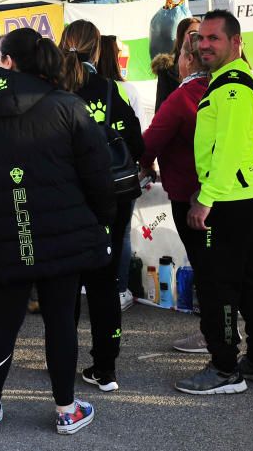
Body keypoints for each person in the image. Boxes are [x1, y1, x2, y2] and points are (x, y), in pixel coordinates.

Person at [0, 28, 114, 435]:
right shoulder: (68, 106)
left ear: (9, 62)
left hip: (4, 233)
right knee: (60, 320)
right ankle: (66, 409)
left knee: (3, 320)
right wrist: (101, 219)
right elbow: (98, 173)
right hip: (63, 231)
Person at [177, 9, 253, 395]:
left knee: (219, 285)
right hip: (242, 194)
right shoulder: (227, 80)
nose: (204, 45)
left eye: (213, 38)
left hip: (229, 199)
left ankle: (224, 368)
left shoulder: (232, 84)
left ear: (235, 42)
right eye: (201, 38)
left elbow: (229, 149)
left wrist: (205, 199)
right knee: (250, 279)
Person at [59, 20, 144, 393]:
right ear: (97, 50)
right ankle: (105, 368)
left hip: (66, 198)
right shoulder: (110, 89)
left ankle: (60, 361)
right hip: (112, 195)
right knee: (105, 283)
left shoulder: (52, 91)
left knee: (64, 283)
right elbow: (136, 141)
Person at [139, 32, 211, 354]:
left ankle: (213, 334)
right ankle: (227, 334)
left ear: (189, 59)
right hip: (223, 192)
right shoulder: (222, 89)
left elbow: (149, 142)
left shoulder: (182, 97)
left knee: (204, 265)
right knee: (221, 267)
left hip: (190, 195)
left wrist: (144, 164)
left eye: (180, 56)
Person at [95, 33, 142, 311]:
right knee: (121, 233)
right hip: (121, 170)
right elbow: (139, 135)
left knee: (100, 229)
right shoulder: (126, 90)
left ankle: (99, 285)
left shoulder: (83, 89)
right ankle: (119, 288)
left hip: (92, 172)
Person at [151, 16, 200, 114]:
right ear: (181, 37)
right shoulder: (167, 70)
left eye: (201, 33)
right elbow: (160, 110)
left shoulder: (211, 67)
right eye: (193, 33)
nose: (198, 37)